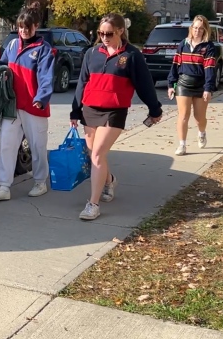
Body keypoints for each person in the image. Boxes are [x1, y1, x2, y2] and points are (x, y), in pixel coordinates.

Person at [70, 13, 163, 221]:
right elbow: (82, 83)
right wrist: (75, 110)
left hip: (114, 111)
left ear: (121, 31)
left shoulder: (131, 55)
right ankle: (109, 181)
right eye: (100, 33)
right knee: (94, 153)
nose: (104, 37)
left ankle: (92, 204)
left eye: (109, 33)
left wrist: (154, 109)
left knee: (96, 156)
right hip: (90, 109)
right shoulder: (92, 53)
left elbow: (145, 85)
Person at [0, 3, 56, 201]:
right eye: (21, 27)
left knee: (37, 146)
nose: (24, 31)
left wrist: (41, 99)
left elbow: (46, 77)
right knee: (7, 144)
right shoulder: (11, 45)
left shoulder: (44, 49)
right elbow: (2, 67)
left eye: (28, 27)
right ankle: (4, 187)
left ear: (36, 26)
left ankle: (40, 181)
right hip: (12, 104)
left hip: (34, 106)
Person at [167, 15, 217, 156]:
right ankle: (182, 145)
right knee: (183, 115)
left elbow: (209, 68)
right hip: (183, 83)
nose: (197, 31)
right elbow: (176, 64)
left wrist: (208, 88)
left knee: (199, 117)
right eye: (195, 28)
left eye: (200, 28)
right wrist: (171, 84)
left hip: (200, 84)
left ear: (205, 30)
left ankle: (201, 133)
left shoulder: (208, 46)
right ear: (191, 28)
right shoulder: (183, 43)